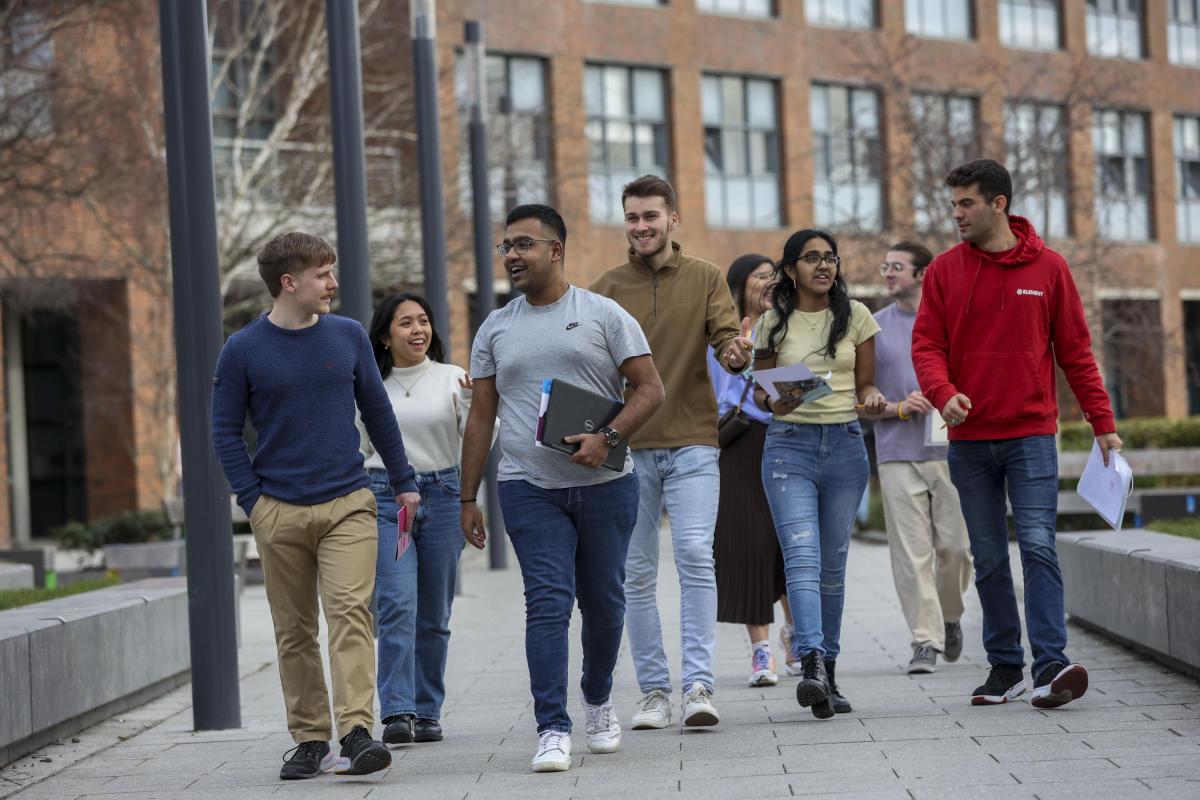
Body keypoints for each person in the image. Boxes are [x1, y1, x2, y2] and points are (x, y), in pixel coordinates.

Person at [460, 204, 665, 773]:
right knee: (547, 603)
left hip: (606, 484)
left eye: (523, 244)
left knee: (603, 603)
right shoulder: (495, 326)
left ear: (556, 249)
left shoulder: (603, 314)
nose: (512, 256)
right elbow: (481, 417)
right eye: (506, 246)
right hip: (528, 485)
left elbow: (650, 389)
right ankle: (552, 725)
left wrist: (607, 435)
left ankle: (597, 698)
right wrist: (465, 495)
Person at [912, 158, 1121, 708]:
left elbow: (1076, 353)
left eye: (966, 203)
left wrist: (1103, 425)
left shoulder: (1050, 268)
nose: (957, 214)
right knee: (988, 555)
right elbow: (927, 346)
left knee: (1036, 545)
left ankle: (1050, 663)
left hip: (1031, 434)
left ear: (998, 203)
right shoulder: (942, 271)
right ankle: (1005, 668)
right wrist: (942, 391)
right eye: (953, 204)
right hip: (970, 440)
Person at [211, 231, 420, 779]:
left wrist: (404, 481)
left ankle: (356, 731)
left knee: (351, 614)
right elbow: (225, 431)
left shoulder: (348, 336)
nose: (333, 283)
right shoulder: (242, 349)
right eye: (323, 274)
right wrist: (253, 501)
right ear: (290, 282)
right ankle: (310, 738)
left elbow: (377, 411)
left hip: (349, 501)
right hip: (277, 507)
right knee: (294, 629)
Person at [590, 175, 752, 731]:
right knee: (634, 571)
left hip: (692, 443)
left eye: (650, 216)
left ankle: (699, 684)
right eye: (632, 217)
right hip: (627, 448)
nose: (641, 226)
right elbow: (588, 363)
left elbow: (727, 345)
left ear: (672, 219)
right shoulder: (605, 288)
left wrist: (736, 354)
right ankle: (655, 691)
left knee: (692, 554)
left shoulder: (706, 276)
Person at [751, 229, 886, 719]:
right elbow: (759, 393)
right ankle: (810, 664)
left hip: (845, 448)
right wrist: (774, 398)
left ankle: (828, 668)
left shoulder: (857, 317)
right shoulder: (770, 324)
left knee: (833, 565)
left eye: (830, 258)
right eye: (812, 258)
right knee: (802, 557)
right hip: (789, 449)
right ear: (791, 269)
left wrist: (871, 397)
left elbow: (867, 382)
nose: (824, 266)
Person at [360, 293, 472, 746]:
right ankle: (397, 712)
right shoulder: (367, 383)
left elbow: (482, 435)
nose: (418, 330)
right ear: (385, 336)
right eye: (406, 323)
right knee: (397, 604)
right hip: (387, 497)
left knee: (434, 613)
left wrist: (471, 403)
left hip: (442, 494)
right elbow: (356, 442)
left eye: (423, 321)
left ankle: (427, 710)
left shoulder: (452, 378)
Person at [858, 242, 972, 675]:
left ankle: (950, 615)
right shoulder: (873, 328)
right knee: (911, 554)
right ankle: (925, 640)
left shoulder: (952, 321)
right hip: (896, 453)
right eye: (884, 266)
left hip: (952, 450)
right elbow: (860, 395)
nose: (888, 273)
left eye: (897, 267)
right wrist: (895, 407)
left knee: (958, 549)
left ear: (923, 273)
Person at [708, 253, 796, 686]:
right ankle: (761, 652)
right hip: (739, 444)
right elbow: (716, 391)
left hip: (787, 438)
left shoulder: (791, 326)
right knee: (749, 545)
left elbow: (800, 392)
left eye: (775, 277)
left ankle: (797, 633)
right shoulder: (720, 333)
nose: (770, 283)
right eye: (762, 276)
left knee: (789, 541)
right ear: (741, 284)